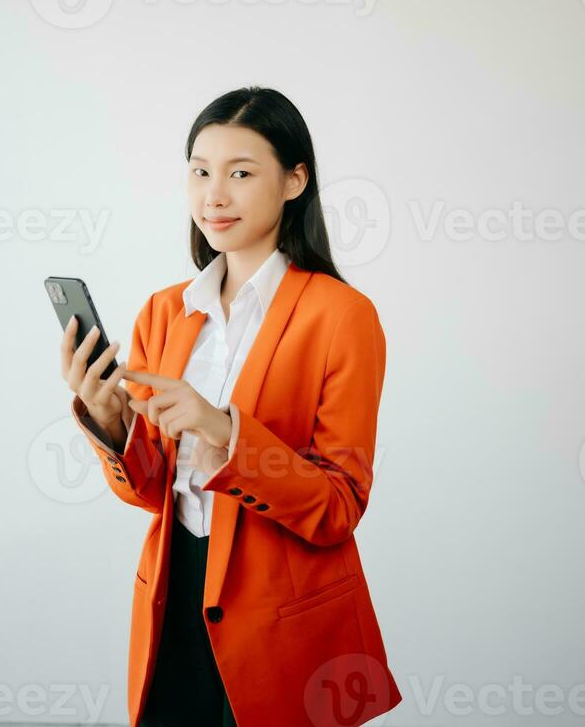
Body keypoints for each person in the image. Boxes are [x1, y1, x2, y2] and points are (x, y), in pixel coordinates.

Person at [60, 86, 403, 727]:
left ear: (295, 180)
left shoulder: (341, 316)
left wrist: (227, 434)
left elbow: (340, 506)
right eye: (200, 171)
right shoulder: (166, 311)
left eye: (241, 174)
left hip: (282, 616)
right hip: (174, 592)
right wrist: (111, 423)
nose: (213, 195)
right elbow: (152, 491)